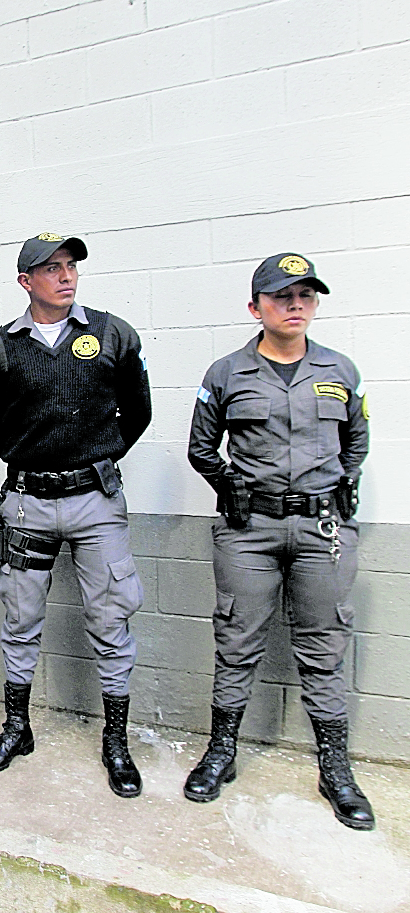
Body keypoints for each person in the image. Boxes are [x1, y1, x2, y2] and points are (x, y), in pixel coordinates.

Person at [185, 253, 373, 830]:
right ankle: (222, 751)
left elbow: (358, 442)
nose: (296, 306)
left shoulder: (340, 371)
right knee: (237, 639)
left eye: (306, 297)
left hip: (323, 529)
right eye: (282, 296)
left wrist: (342, 488)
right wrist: (230, 486)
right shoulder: (225, 374)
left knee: (323, 646)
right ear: (255, 307)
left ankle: (335, 769)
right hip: (250, 530)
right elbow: (200, 447)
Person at [0, 233, 151, 798]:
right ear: (26, 282)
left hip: (96, 501)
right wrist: (37, 460)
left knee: (111, 618)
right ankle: (17, 728)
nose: (65, 275)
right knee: (21, 617)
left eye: (70, 265)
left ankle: (115, 741)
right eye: (50, 269)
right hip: (27, 500)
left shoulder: (111, 333)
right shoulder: (1, 348)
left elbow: (137, 412)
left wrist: (90, 458)